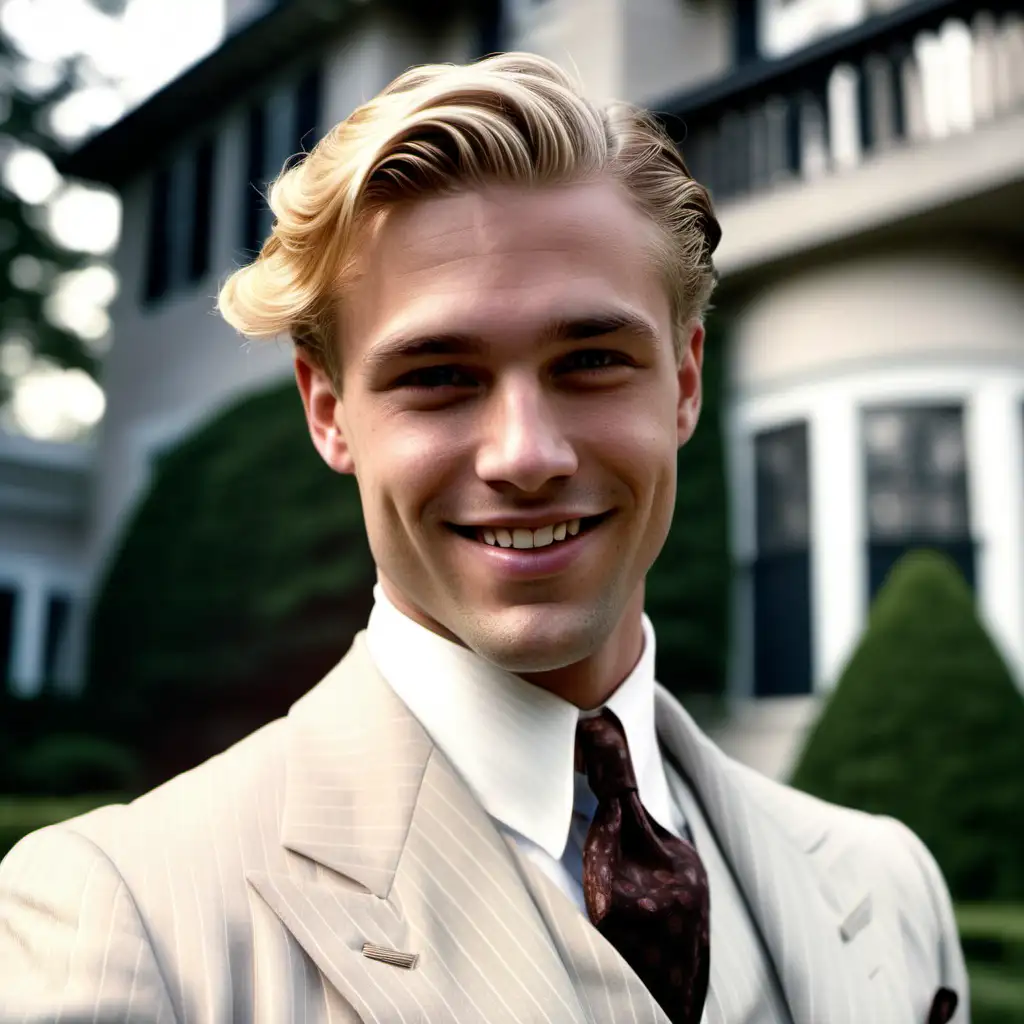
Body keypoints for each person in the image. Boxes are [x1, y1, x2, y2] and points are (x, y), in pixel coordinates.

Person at [0, 53, 967, 1024]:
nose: (526, 454)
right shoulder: (123, 918)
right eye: (439, 375)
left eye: (590, 358)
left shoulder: (889, 888)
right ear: (329, 411)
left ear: (683, 379)